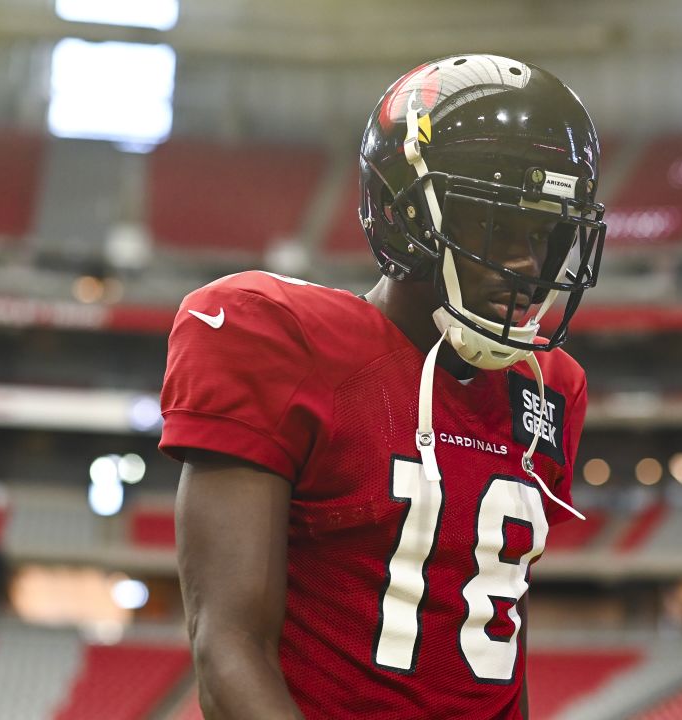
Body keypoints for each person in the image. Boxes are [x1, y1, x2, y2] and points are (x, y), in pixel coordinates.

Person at [159, 53, 607, 719]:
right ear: (408, 218)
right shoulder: (277, 338)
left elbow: (496, 651)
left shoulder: (550, 388)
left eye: (546, 234)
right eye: (497, 227)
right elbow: (228, 646)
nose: (529, 264)